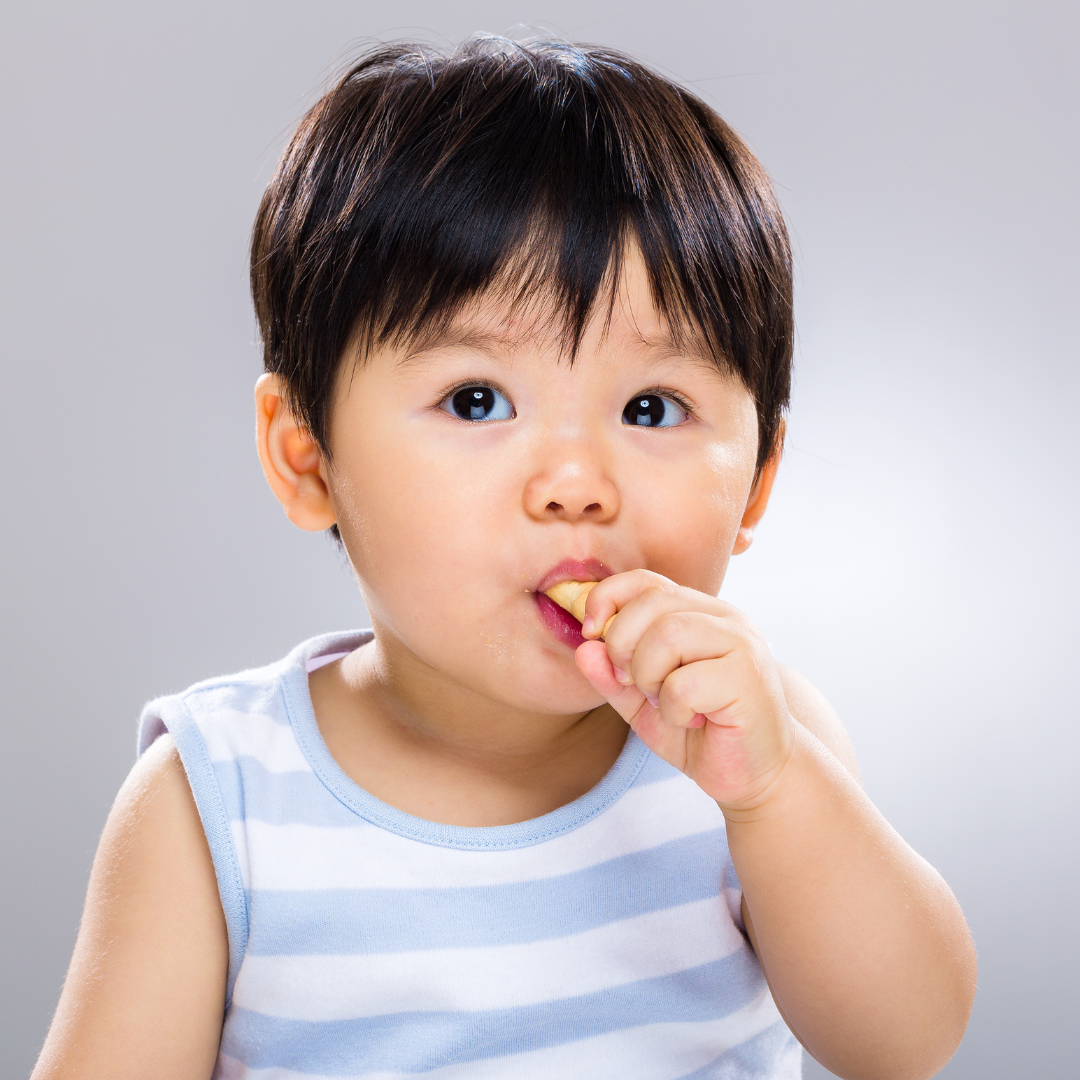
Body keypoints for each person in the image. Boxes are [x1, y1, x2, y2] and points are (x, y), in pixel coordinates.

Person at [31, 36, 976, 1080]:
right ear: (307, 458)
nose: (575, 482)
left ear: (756, 482)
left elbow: (906, 1045)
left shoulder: (755, 741)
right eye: (476, 400)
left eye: (651, 408)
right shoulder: (218, 799)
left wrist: (776, 795)